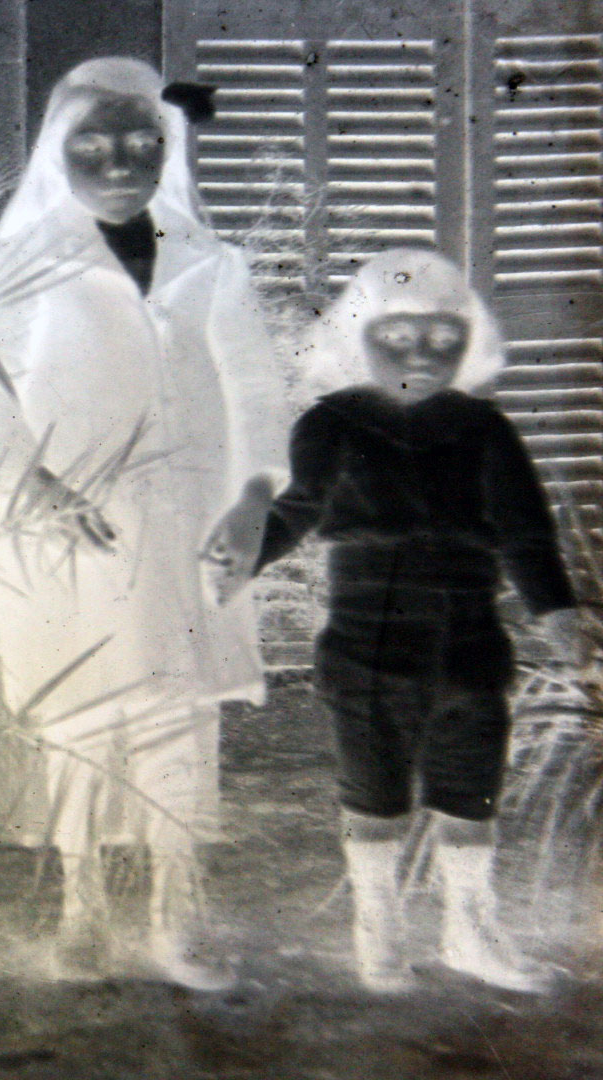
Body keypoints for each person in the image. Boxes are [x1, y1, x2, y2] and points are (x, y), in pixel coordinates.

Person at [0, 57, 290, 989]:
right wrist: (41, 489)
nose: (119, 164)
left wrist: (255, 499)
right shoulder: (22, 265)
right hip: (74, 529)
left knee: (178, 717)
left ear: (168, 151)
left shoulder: (209, 263)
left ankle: (175, 908)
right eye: (92, 148)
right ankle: (81, 899)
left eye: (143, 145)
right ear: (58, 158)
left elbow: (257, 386)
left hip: (186, 525)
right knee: (81, 719)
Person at [206, 248, 584, 994]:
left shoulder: (485, 428)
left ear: (470, 341)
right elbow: (296, 511)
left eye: (444, 336)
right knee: (375, 793)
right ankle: (377, 923)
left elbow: (525, 532)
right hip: (368, 641)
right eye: (398, 334)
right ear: (357, 334)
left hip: (471, 641)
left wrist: (557, 610)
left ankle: (469, 927)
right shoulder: (333, 422)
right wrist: (244, 558)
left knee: (470, 791)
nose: (423, 352)